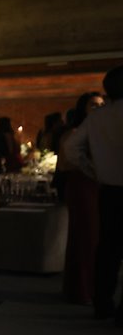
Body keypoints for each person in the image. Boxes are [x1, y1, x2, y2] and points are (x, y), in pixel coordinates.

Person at [64, 67, 123, 323]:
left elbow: (70, 147)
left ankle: (102, 303)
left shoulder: (99, 117)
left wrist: (93, 169)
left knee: (107, 248)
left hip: (109, 190)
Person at [58, 92, 105, 306]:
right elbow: (65, 164)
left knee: (95, 237)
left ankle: (87, 287)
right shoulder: (74, 133)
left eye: (102, 104)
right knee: (85, 236)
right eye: (93, 105)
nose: (98, 108)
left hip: (98, 186)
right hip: (82, 185)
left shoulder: (101, 131)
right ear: (82, 108)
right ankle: (82, 290)